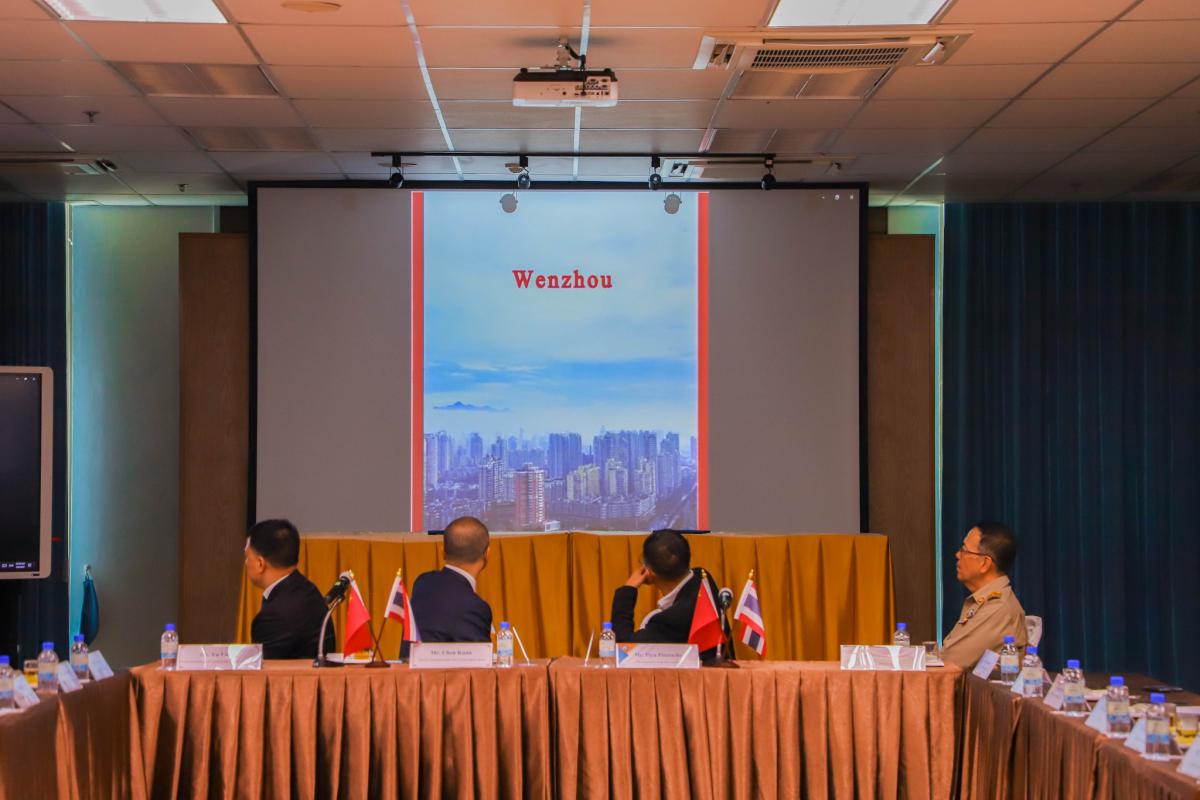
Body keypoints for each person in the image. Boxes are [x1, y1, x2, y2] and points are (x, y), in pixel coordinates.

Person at [611, 529, 721, 658]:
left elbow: (624, 648)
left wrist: (628, 590)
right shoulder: (702, 576)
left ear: (649, 572)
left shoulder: (671, 621)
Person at [941, 522, 1028, 668]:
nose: (957, 555)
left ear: (985, 563)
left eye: (964, 550)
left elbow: (951, 660)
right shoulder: (983, 601)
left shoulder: (998, 608)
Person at [245, 519, 335, 660]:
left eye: (247, 557)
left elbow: (264, 671)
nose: (245, 563)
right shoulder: (309, 590)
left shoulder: (274, 618)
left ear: (260, 563)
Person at [409, 516, 493, 643]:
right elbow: (478, 655)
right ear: (487, 554)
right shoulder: (475, 607)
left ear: (442, 551)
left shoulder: (422, 583)